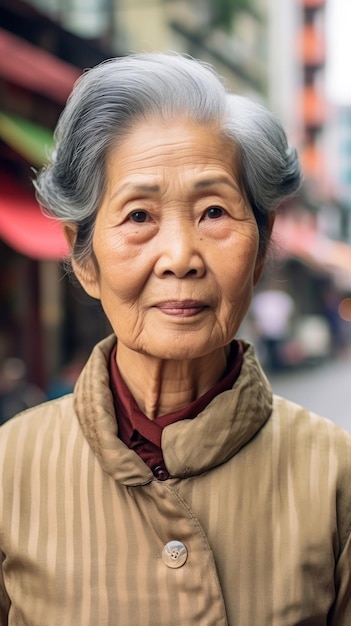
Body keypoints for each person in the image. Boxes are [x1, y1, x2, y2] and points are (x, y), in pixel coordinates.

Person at [0, 53, 350, 626]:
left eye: (214, 211)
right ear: (84, 258)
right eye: (139, 215)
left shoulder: (337, 475)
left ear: (261, 249)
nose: (181, 257)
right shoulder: (9, 469)